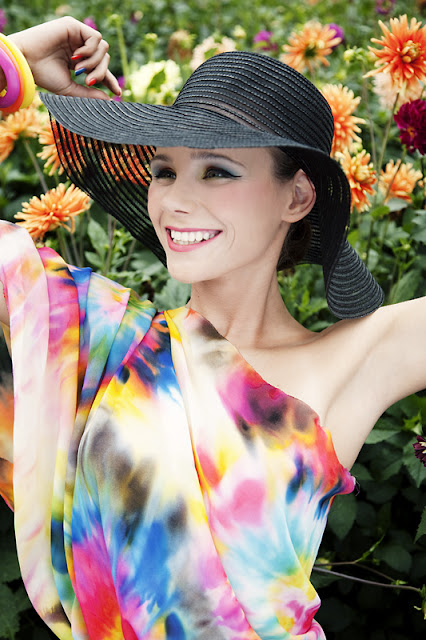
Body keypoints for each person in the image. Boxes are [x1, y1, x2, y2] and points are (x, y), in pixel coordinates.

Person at [0, 16, 425, 640]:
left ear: (297, 197)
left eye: (218, 171)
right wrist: (12, 65)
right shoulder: (94, 340)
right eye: (164, 171)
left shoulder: (359, 357)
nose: (175, 199)